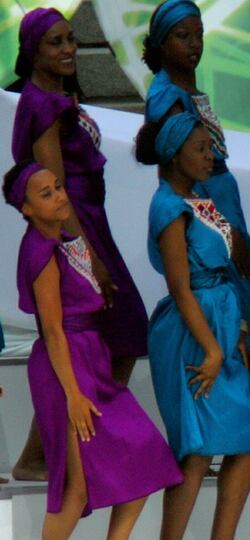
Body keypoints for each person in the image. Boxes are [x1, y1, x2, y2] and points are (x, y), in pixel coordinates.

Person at [5, 161, 182, 540]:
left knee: (149, 453)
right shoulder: (40, 251)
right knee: (75, 486)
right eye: (46, 194)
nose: (60, 196)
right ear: (26, 209)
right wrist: (73, 395)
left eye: (59, 187)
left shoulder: (65, 240)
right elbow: (51, 330)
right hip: (66, 367)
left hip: (91, 359)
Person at [143, 0, 250, 457]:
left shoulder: (191, 89)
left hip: (223, 210)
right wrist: (214, 228)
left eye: (199, 33)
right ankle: (234, 438)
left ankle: (242, 436)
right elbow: (174, 171)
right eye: (182, 35)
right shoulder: (166, 95)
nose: (194, 44)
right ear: (162, 42)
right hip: (210, 219)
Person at [11, 7, 150, 482]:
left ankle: (63, 447)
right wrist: (88, 260)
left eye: (71, 39)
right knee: (123, 327)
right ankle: (50, 451)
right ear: (33, 50)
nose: (69, 49)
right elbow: (58, 189)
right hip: (78, 226)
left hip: (93, 222)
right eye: (56, 42)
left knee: (117, 335)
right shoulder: (43, 105)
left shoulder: (56, 99)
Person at [136, 113, 250, 540]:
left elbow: (225, 269)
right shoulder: (169, 205)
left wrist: (237, 324)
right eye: (200, 147)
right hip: (191, 328)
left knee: (248, 441)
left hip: (221, 319)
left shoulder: (202, 199)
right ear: (175, 154)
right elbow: (181, 286)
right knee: (196, 448)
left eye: (210, 146)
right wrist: (211, 348)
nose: (210, 154)